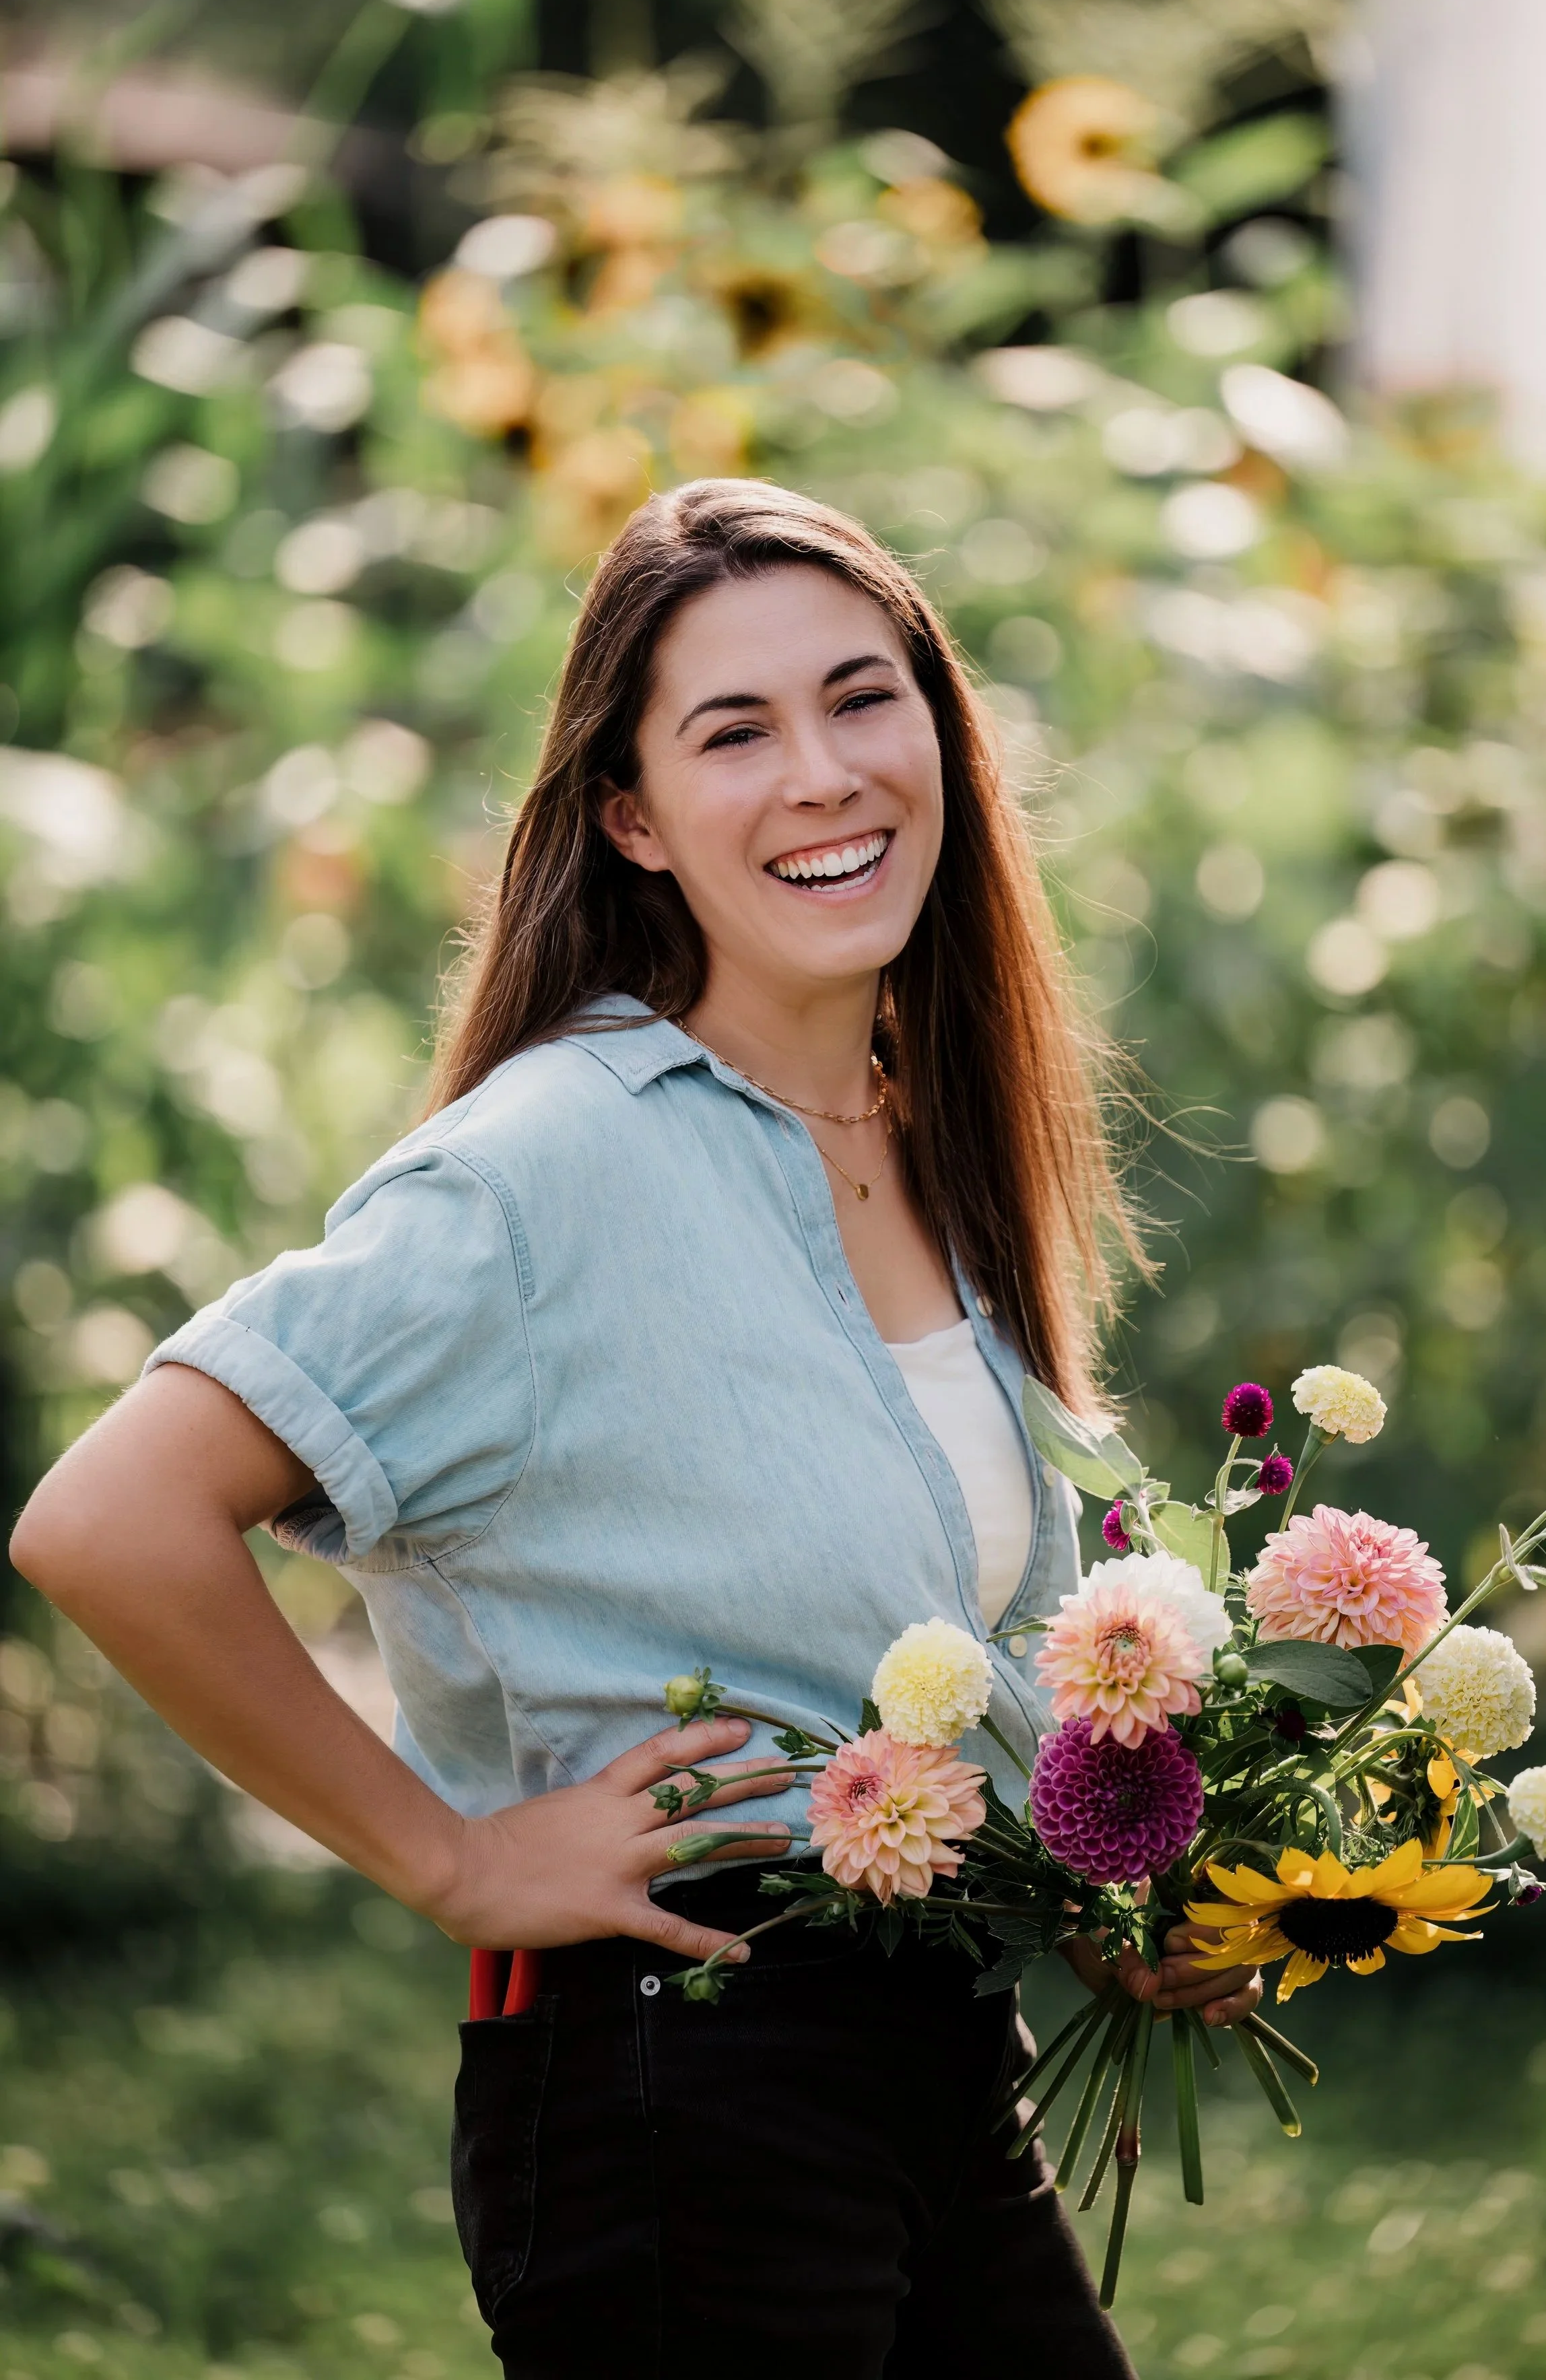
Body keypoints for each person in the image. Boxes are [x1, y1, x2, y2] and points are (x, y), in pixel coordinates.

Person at [10, 479, 1261, 2376]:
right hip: (685, 2085)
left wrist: (1105, 1890)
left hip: (939, 2059)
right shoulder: (544, 1167)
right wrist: (451, 1856)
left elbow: (924, 1628)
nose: (823, 774)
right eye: (732, 733)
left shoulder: (936, 1139)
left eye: (862, 699)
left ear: (940, 729)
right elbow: (108, 1517)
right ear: (632, 817)